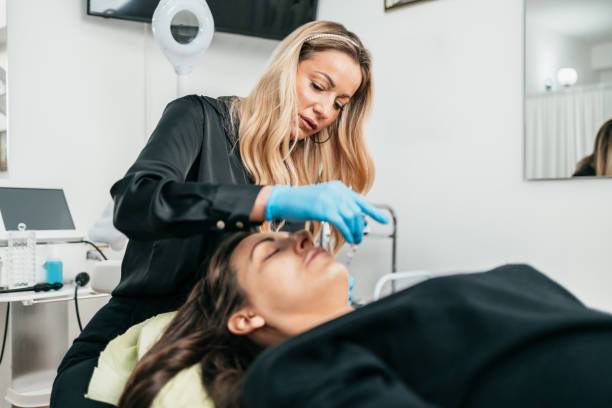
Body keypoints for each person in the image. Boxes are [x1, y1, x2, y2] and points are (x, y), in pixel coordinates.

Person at [51, 20, 389, 407]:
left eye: (340, 104)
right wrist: (267, 200)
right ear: (286, 70)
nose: (325, 110)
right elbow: (135, 203)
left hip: (229, 351)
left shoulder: (303, 174)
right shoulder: (198, 118)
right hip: (137, 328)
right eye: (318, 86)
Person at [86, 229, 612, 407]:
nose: (302, 236)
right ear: (244, 317)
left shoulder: (379, 322)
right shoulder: (291, 369)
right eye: (271, 251)